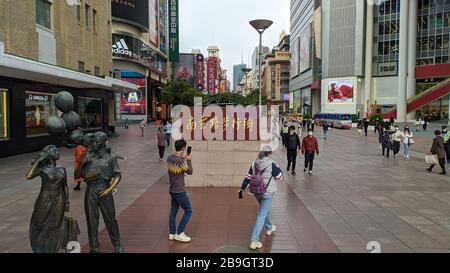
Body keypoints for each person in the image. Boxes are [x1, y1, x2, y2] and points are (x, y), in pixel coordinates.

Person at [75, 132, 123, 253]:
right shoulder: (88, 156)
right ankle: (94, 248)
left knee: (110, 219)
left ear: (102, 143)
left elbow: (117, 175)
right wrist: (82, 162)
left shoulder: (111, 158)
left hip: (105, 189)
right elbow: (77, 175)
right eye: (93, 142)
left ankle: (117, 244)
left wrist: (109, 190)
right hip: (90, 191)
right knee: (91, 221)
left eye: (96, 142)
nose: (94, 144)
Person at [238, 146, 284, 250]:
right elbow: (281, 177)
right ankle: (254, 240)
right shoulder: (272, 164)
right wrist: (278, 167)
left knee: (264, 208)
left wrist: (242, 188)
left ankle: (269, 227)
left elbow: (248, 177)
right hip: (267, 193)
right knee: (261, 214)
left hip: (256, 191)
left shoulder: (254, 163)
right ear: (269, 154)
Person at [26, 145, 69, 253]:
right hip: (44, 199)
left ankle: (52, 249)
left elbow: (65, 186)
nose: (57, 152)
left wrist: (67, 201)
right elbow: (29, 175)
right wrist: (39, 160)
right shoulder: (42, 169)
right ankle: (39, 249)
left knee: (55, 226)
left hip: (59, 198)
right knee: (40, 224)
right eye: (54, 150)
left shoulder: (62, 169)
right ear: (48, 154)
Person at [167, 139, 194, 243]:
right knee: (188, 211)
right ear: (183, 148)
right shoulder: (181, 161)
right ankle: (180, 233)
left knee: (173, 211)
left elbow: (176, 162)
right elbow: (190, 171)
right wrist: (189, 160)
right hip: (180, 191)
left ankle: (172, 233)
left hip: (172, 190)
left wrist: (182, 157)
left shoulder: (170, 158)